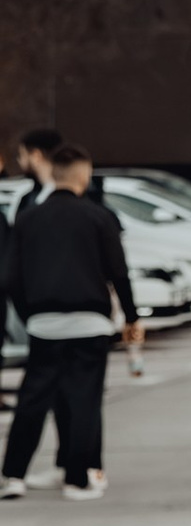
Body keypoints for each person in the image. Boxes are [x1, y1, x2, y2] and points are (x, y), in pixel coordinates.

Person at [0, 142, 140, 500]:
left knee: (33, 398)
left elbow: (11, 276)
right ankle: (77, 478)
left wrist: (30, 312)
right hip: (89, 321)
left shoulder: (29, 217)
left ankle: (13, 475)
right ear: (83, 175)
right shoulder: (98, 217)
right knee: (84, 398)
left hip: (44, 322)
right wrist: (131, 316)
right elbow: (118, 273)